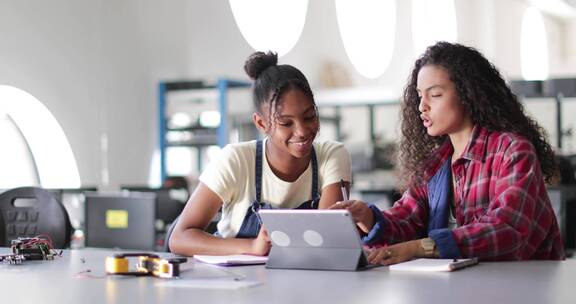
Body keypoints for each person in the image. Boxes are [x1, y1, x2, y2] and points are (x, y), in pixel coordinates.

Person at [332, 41, 564, 265]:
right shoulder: (436, 164)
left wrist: (421, 247)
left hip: (527, 287)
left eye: (434, 95)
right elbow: (407, 217)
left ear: (468, 94)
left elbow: (509, 230)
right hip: (467, 287)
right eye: (419, 95)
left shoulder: (512, 151)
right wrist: (369, 218)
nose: (422, 106)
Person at [169, 51, 351, 256]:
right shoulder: (235, 160)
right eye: (286, 123)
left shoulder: (332, 156)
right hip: (235, 282)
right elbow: (180, 237)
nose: (301, 131)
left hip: (305, 280)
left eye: (309, 117)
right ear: (261, 123)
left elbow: (327, 237)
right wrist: (251, 247)